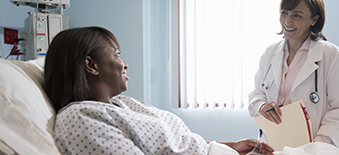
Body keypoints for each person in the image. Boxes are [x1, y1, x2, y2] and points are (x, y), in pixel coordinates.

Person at [43, 26, 274, 155]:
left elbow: (176, 145)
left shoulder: (124, 104)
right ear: (90, 65)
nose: (124, 63)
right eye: (116, 54)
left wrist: (229, 147)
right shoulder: (80, 119)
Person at [248, 0, 339, 147]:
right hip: (272, 145)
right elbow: (256, 95)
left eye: (297, 16)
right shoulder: (270, 53)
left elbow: (337, 109)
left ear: (314, 20)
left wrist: (318, 145)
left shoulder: (330, 54)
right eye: (284, 13)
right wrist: (262, 106)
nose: (287, 21)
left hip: (314, 147)